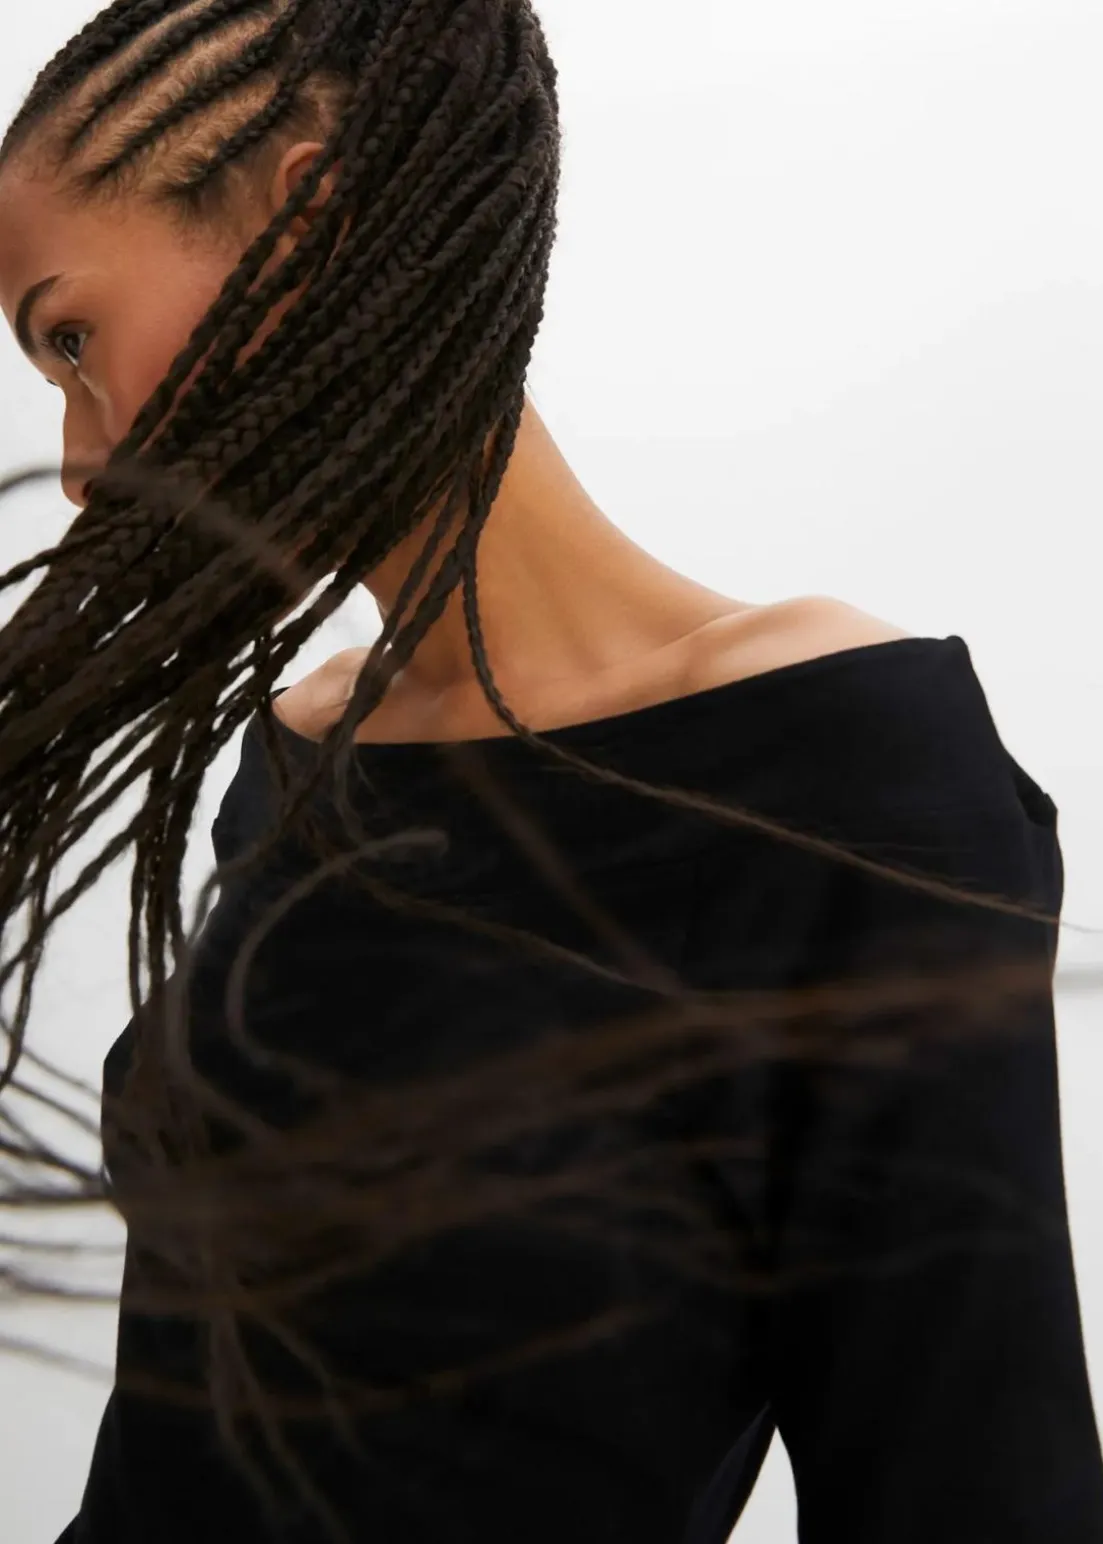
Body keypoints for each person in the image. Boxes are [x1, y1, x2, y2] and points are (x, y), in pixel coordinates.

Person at [0, 3, 1100, 1542]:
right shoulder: (305, 754)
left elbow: (975, 1490)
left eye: (70, 339)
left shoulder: (842, 770)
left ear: (308, 227)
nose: (82, 463)